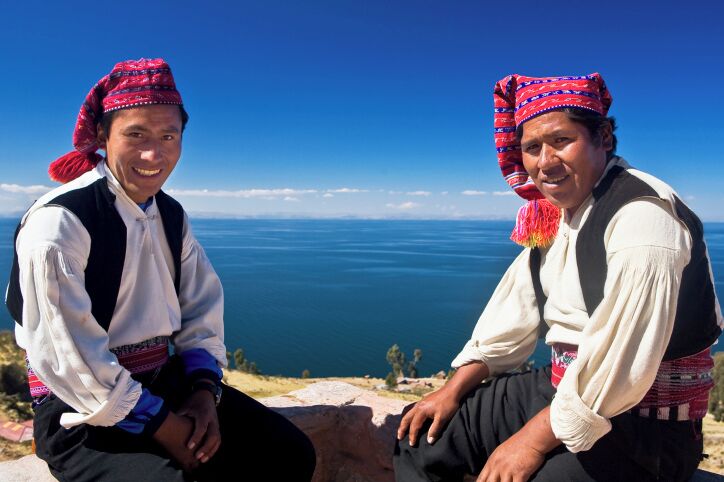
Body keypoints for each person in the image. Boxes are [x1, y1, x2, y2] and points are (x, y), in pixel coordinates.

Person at [394, 73, 723, 481]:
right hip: (563, 391)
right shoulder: (558, 220)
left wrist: (530, 442)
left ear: (603, 137)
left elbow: (619, 366)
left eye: (561, 141)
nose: (545, 162)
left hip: (646, 425)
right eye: (532, 148)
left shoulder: (642, 217)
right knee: (421, 434)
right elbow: (509, 319)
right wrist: (452, 389)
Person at [6, 58, 316, 481]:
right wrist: (165, 428)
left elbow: (200, 307)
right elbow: (67, 357)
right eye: (136, 134)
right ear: (102, 135)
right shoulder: (60, 223)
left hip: (165, 383)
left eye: (168, 135)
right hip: (80, 412)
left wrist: (205, 392)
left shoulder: (169, 214)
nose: (154, 154)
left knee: (289, 452)